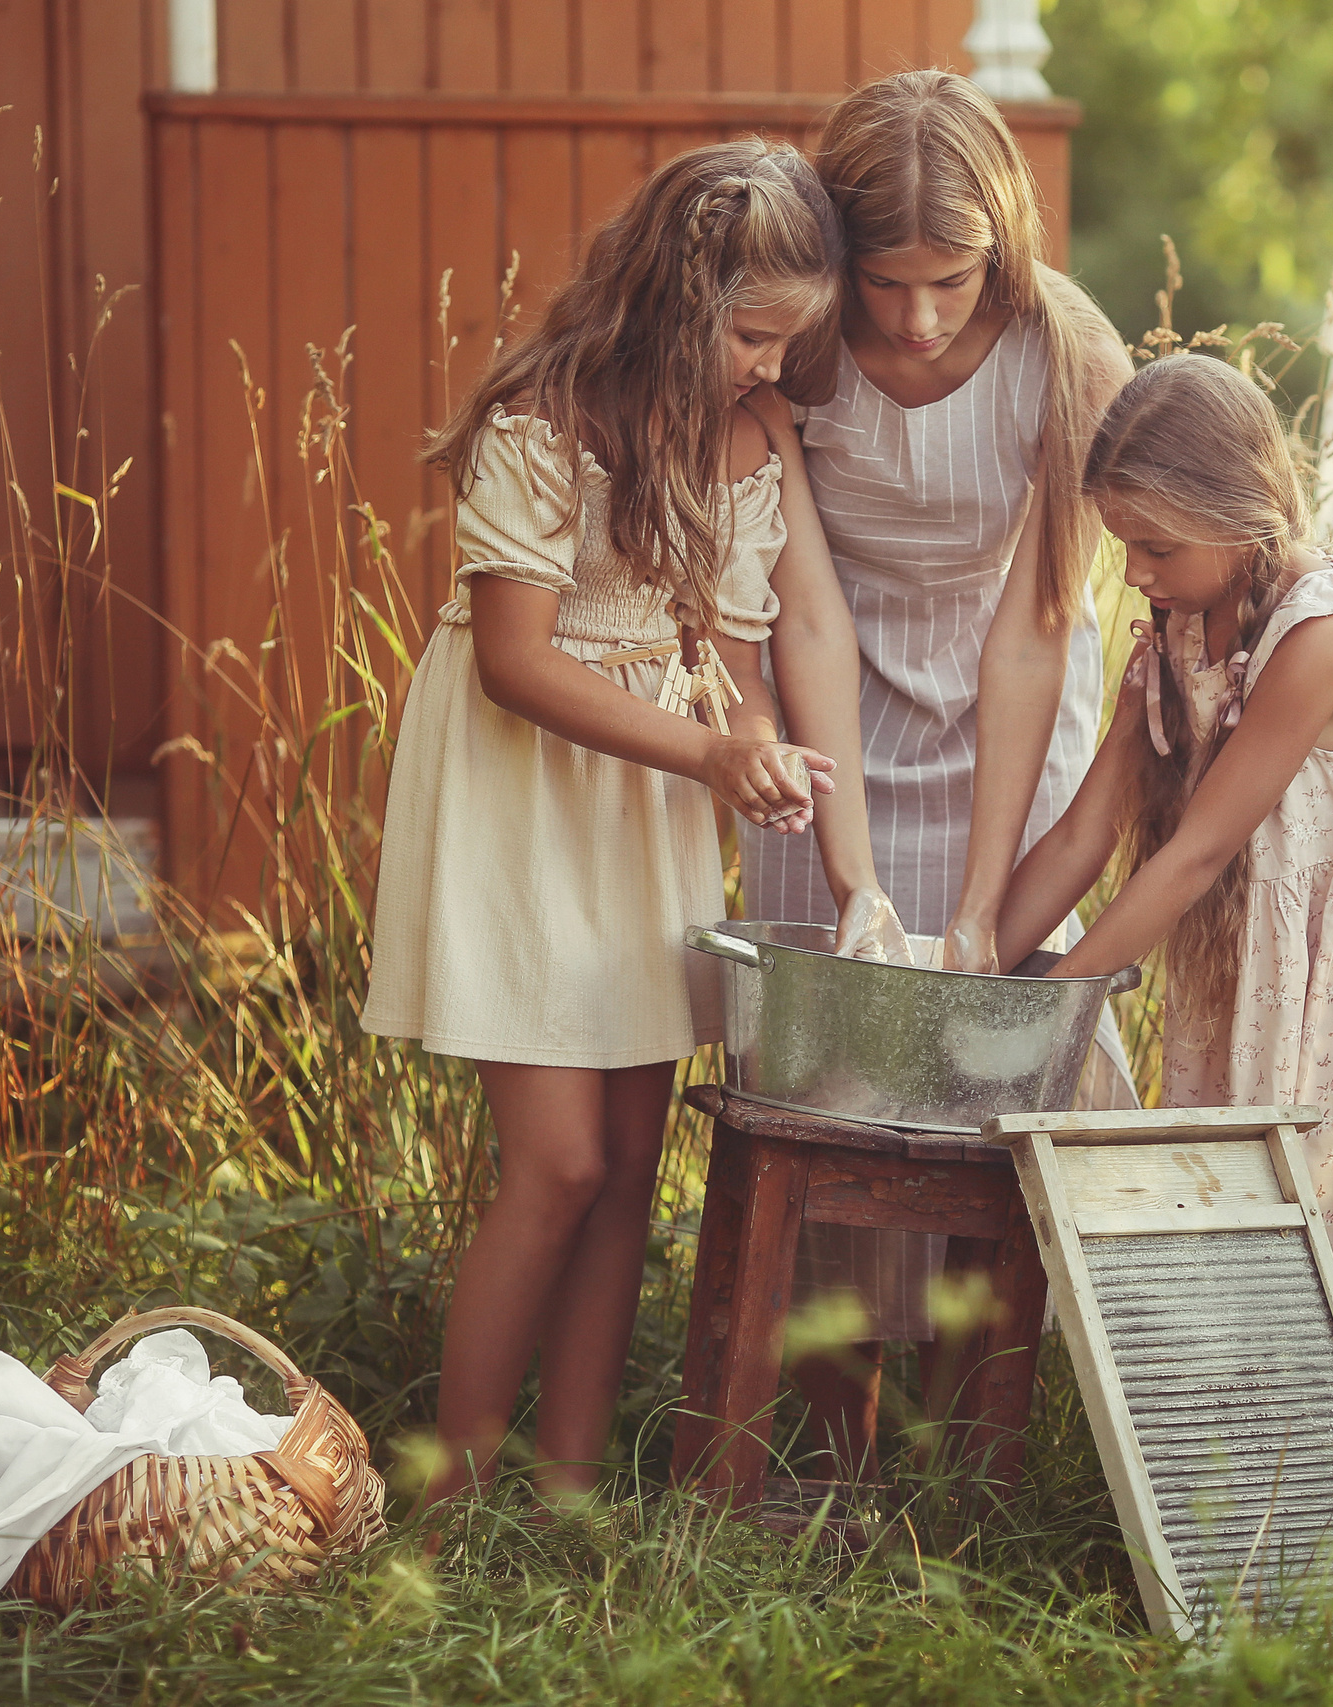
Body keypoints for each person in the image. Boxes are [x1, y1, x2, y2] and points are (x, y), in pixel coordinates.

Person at [361, 137, 900, 1506]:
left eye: (794, 338)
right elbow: (516, 661)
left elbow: (739, 645)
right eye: (757, 334)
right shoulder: (544, 418)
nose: (775, 365)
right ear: (680, 292)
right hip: (521, 793)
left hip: (651, 798)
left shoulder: (756, 429)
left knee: (629, 1170)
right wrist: (715, 750)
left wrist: (759, 746)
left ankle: (570, 1489)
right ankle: (450, 1501)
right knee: (558, 1161)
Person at [736, 70, 1137, 1472]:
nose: (917, 316)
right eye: (888, 282)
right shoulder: (796, 343)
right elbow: (804, 608)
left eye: (950, 280)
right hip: (829, 702)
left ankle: (980, 1455)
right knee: (829, 1065)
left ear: (1002, 246)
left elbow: (1040, 627)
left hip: (1005, 704)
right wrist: (849, 853)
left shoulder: (1063, 353)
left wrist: (982, 908)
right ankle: (833, 1445)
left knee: (991, 1065)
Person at [1000, 354, 1333, 1271]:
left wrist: (1056, 1005)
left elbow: (1197, 855)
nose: (1133, 573)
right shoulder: (1181, 622)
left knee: (1302, 1279)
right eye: (1123, 545)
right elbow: (1088, 828)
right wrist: (978, 970)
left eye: (1156, 547)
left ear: (1234, 512)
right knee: (1238, 1262)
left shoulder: (1320, 636)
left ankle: (1325, 1417)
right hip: (1260, 966)